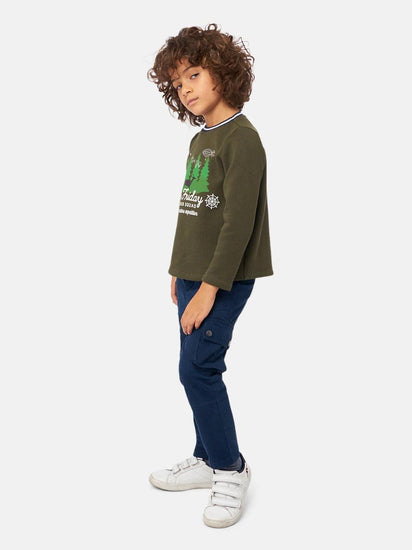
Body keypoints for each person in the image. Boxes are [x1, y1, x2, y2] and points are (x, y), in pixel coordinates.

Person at [146, 23, 273, 528]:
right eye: (178, 83)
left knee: (198, 368)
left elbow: (237, 224)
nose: (186, 88)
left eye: (194, 74)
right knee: (192, 365)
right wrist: (180, 272)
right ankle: (205, 456)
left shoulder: (243, 140)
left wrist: (208, 289)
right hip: (194, 276)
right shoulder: (201, 141)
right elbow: (192, 212)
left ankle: (230, 467)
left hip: (222, 279)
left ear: (224, 71)